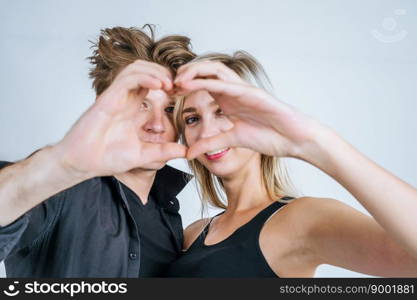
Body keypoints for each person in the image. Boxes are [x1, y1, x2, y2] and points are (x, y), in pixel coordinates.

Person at [164, 51, 417, 277]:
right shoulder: (193, 233)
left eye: (221, 111)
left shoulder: (303, 219)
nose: (207, 132)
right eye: (193, 119)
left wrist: (313, 141)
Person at [0, 25, 196, 277]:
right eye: (141, 104)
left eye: (169, 109)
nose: (156, 125)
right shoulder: (60, 185)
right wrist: (62, 165)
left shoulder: (169, 213)